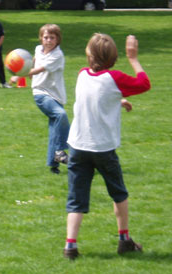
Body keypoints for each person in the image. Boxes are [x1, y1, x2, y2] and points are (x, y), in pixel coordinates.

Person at [64, 33, 151, 259]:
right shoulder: (115, 78)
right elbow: (144, 84)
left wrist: (117, 101)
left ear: (89, 54)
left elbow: (93, 99)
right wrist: (133, 58)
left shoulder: (82, 75)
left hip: (77, 147)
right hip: (102, 148)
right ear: (113, 56)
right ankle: (124, 241)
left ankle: (70, 246)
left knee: (76, 198)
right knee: (119, 194)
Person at [28, 24, 70, 174]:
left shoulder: (58, 55)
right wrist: (26, 68)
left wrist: (23, 72)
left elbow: (41, 69)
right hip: (40, 93)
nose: (48, 41)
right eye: (45, 37)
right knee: (61, 115)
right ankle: (60, 151)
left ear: (58, 39)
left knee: (55, 128)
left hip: (56, 95)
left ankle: (53, 165)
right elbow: (34, 61)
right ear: (41, 38)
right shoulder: (38, 49)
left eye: (52, 38)